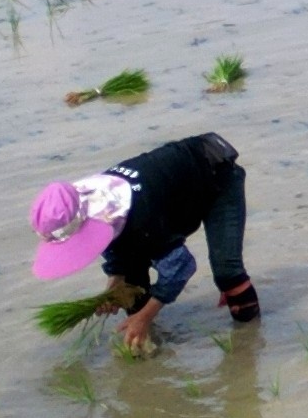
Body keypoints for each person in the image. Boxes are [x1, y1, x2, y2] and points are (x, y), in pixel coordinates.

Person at [29, 133, 258, 353]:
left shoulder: (140, 216)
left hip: (216, 171)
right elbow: (117, 252)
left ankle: (250, 344)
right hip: (168, 190)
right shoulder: (91, 205)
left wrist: (145, 316)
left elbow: (181, 267)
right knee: (132, 282)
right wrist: (114, 288)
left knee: (227, 271)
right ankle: (148, 352)